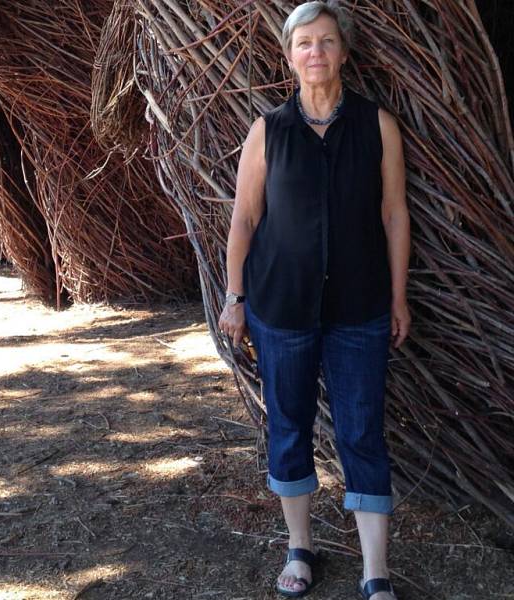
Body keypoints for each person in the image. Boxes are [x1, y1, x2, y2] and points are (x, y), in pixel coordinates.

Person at [218, 1, 411, 598]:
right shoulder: (267, 130)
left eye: (327, 42)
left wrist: (399, 298)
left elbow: (395, 214)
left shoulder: (377, 125)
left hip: (361, 307)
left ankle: (374, 571)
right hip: (282, 308)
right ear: (290, 56)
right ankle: (300, 548)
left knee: (361, 431)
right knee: (290, 426)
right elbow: (245, 219)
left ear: (344, 52)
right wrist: (234, 297)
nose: (316, 53)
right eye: (305, 43)